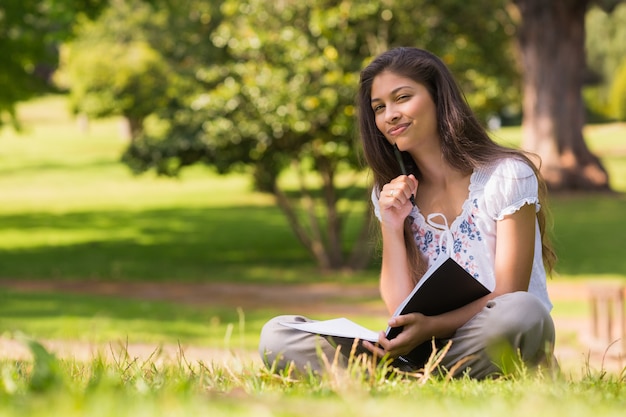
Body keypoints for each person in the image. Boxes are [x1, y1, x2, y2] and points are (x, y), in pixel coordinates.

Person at [258, 47, 557, 379]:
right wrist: (391, 222)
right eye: (379, 107)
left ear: (438, 97)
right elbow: (398, 308)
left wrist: (431, 327)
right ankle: (413, 376)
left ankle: (412, 379)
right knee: (277, 335)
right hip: (416, 353)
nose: (390, 115)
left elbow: (508, 293)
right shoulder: (391, 194)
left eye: (402, 98)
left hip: (486, 337)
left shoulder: (507, 175)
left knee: (523, 313)